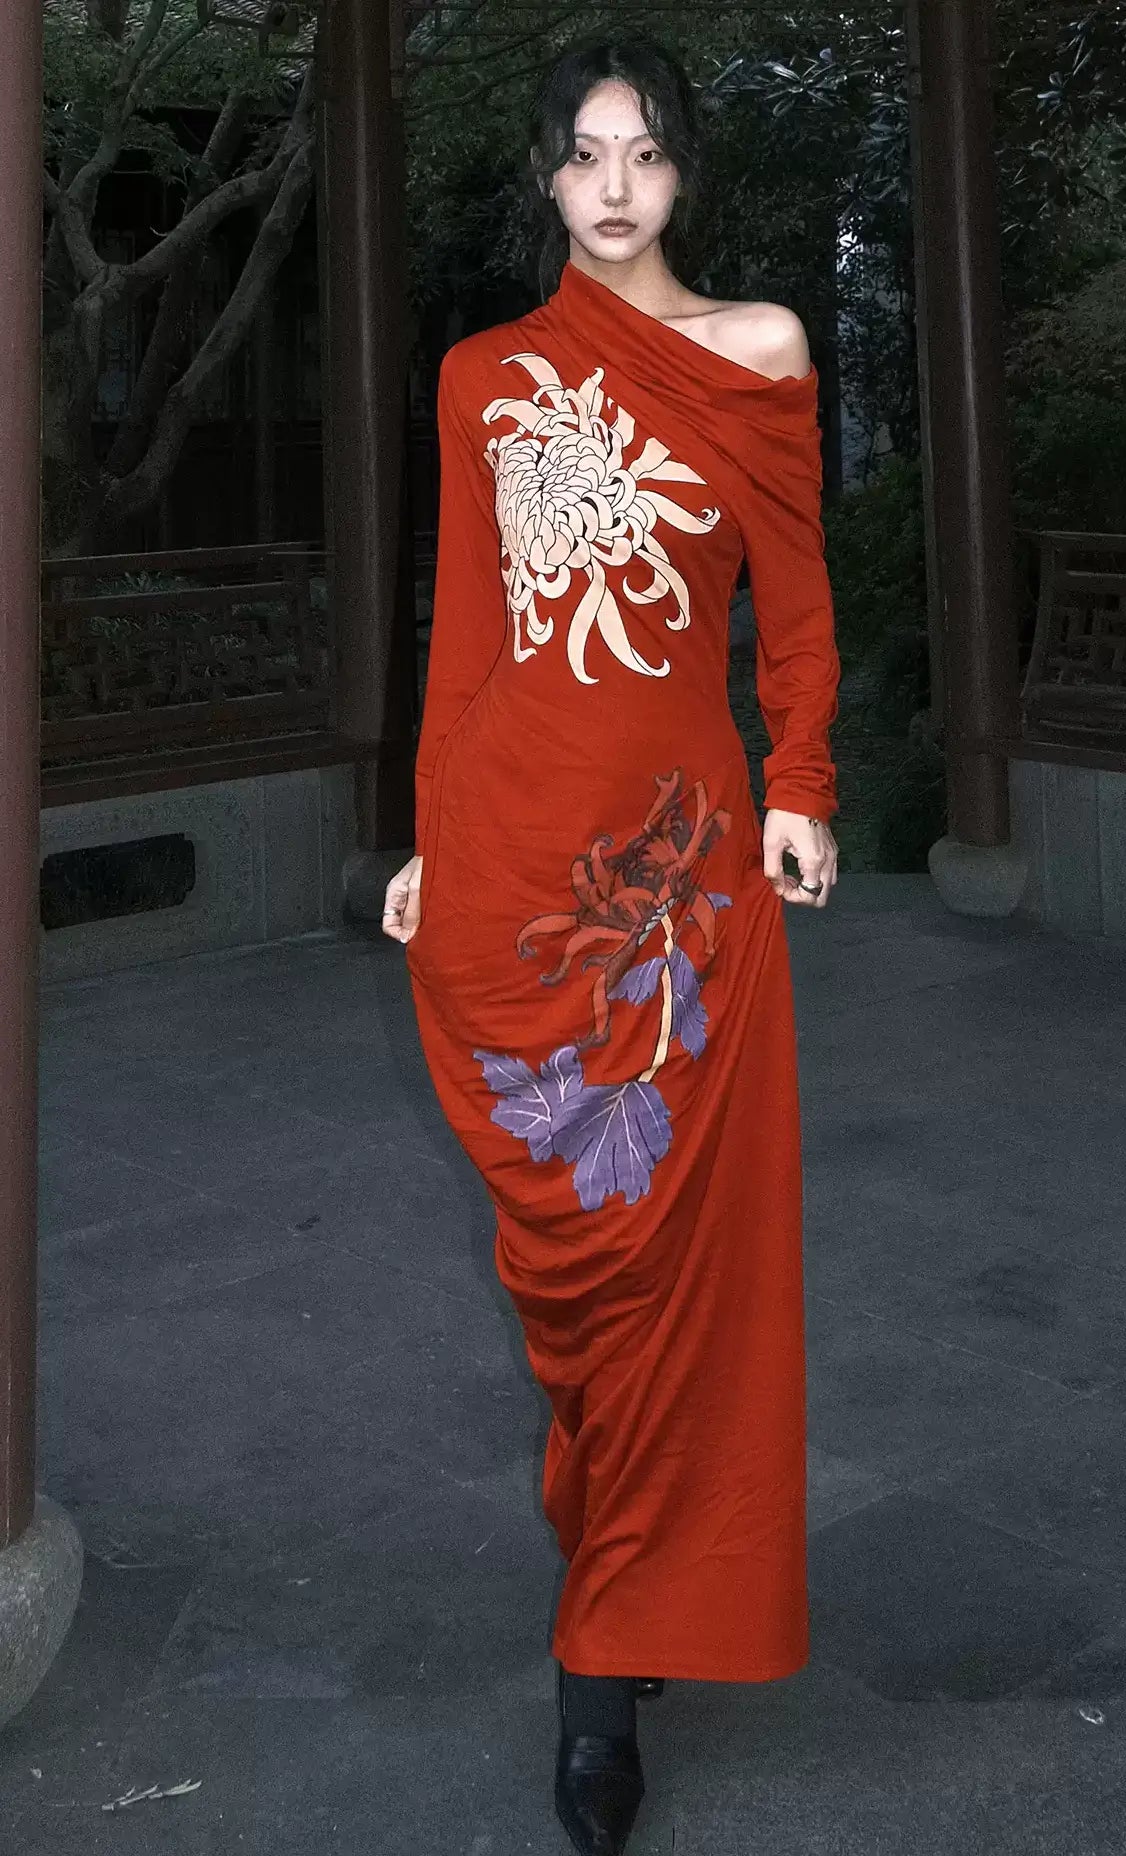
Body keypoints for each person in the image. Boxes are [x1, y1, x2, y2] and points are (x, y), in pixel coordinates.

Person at [381, 33, 840, 1856]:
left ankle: (603, 1660)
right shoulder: (481, 379)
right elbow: (466, 637)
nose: (616, 186)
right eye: (584, 155)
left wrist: (801, 780)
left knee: (672, 1264)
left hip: (680, 883)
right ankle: (621, 1569)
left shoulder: (759, 349)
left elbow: (795, 606)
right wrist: (430, 840)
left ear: (683, 172)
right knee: (571, 1274)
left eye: (645, 152)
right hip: (516, 857)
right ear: (547, 179)